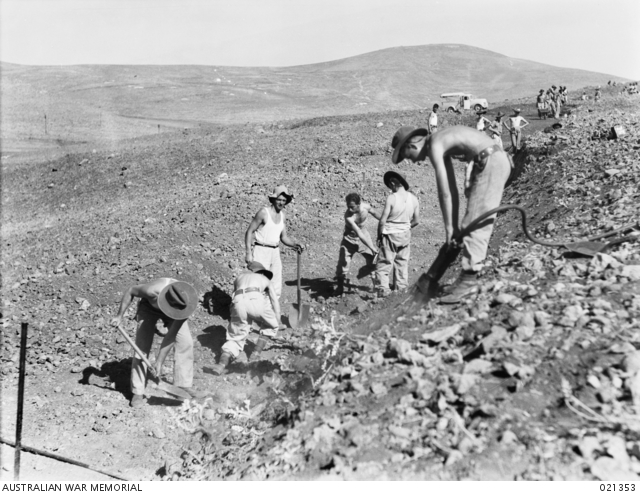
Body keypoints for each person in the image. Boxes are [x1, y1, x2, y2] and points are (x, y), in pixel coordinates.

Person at [390, 124, 512, 303]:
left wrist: (449, 229)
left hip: (490, 162)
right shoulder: (439, 140)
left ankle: (468, 282)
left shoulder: (435, 145)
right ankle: (465, 279)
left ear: (411, 146)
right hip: (491, 160)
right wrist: (453, 226)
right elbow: (452, 189)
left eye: (409, 157)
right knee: (470, 221)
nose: (414, 162)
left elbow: (444, 191)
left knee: (475, 221)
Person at [110, 278, 199, 407]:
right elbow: (130, 291)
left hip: (175, 313)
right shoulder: (152, 291)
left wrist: (159, 362)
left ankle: (182, 386)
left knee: (186, 343)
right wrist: (119, 316)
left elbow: (171, 336)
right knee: (142, 347)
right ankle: (137, 391)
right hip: (149, 308)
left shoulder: (185, 304)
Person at [211, 262, 285, 375]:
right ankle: (255, 354)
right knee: (271, 325)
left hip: (238, 301)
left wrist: (235, 318)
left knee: (235, 337)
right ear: (262, 273)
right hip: (255, 298)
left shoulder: (239, 277)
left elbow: (233, 299)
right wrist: (277, 320)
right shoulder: (265, 279)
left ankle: (221, 365)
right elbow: (274, 301)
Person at [245, 185, 304, 300]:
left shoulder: (282, 216)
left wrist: (295, 244)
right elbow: (249, 231)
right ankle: (254, 311)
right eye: (279, 199)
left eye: (284, 200)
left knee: (276, 285)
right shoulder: (263, 212)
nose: (281, 203)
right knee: (259, 283)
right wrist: (248, 252)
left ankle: (270, 312)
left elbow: (284, 237)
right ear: (273, 199)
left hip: (275, 252)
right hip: (261, 251)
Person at [375, 171, 420, 297]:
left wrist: (379, 236)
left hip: (390, 234)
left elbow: (382, 220)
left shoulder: (392, 198)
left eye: (390, 185)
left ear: (394, 183)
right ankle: (400, 291)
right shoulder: (414, 199)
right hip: (405, 235)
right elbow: (416, 221)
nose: (390, 188)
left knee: (384, 263)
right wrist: (405, 227)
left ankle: (383, 291)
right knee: (402, 263)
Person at [335, 192, 381, 295]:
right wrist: (372, 247)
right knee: (343, 265)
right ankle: (340, 288)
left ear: (359, 204)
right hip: (349, 240)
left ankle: (376, 288)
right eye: (348, 206)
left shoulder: (366, 208)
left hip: (364, 236)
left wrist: (385, 220)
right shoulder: (348, 216)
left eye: (352, 207)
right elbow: (358, 233)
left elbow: (375, 213)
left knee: (372, 262)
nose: (349, 209)